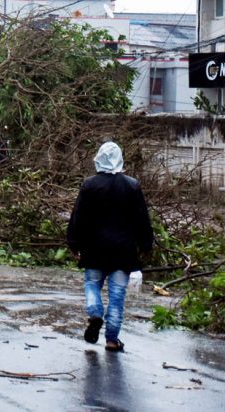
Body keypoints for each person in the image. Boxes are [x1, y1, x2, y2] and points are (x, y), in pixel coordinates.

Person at [67, 141, 153, 353]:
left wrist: (74, 243)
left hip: (94, 249)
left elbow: (78, 216)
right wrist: (145, 244)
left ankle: (95, 313)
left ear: (98, 158)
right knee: (117, 296)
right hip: (123, 252)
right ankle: (112, 340)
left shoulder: (89, 185)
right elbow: (142, 218)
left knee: (92, 284)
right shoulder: (132, 185)